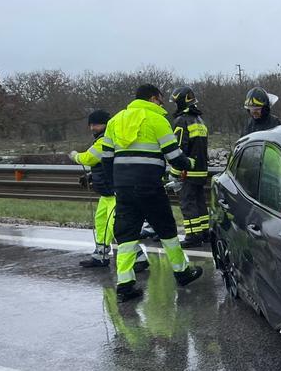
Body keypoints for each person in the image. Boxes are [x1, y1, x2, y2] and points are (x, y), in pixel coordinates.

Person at [101, 84, 203, 302]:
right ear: (154, 98)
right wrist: (191, 163)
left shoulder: (115, 121)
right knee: (166, 229)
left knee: (126, 235)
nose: (162, 104)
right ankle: (182, 272)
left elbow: (106, 158)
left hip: (124, 188)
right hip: (149, 186)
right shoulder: (157, 120)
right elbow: (174, 156)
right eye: (160, 99)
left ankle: (125, 285)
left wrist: (116, 184)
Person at [69, 110, 148, 271]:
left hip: (115, 193)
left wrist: (75, 156)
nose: (92, 128)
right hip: (106, 193)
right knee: (101, 223)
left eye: (96, 124)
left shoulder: (106, 139)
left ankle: (139, 258)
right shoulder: (103, 139)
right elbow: (104, 165)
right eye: (91, 125)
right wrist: (92, 176)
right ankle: (100, 255)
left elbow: (90, 158)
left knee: (117, 227)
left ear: (106, 124)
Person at [169, 86, 210, 248]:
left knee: (188, 204)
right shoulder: (199, 120)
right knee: (200, 202)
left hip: (188, 171)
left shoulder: (181, 121)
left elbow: (179, 149)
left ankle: (193, 236)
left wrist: (174, 173)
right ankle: (205, 233)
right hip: (201, 170)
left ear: (180, 102)